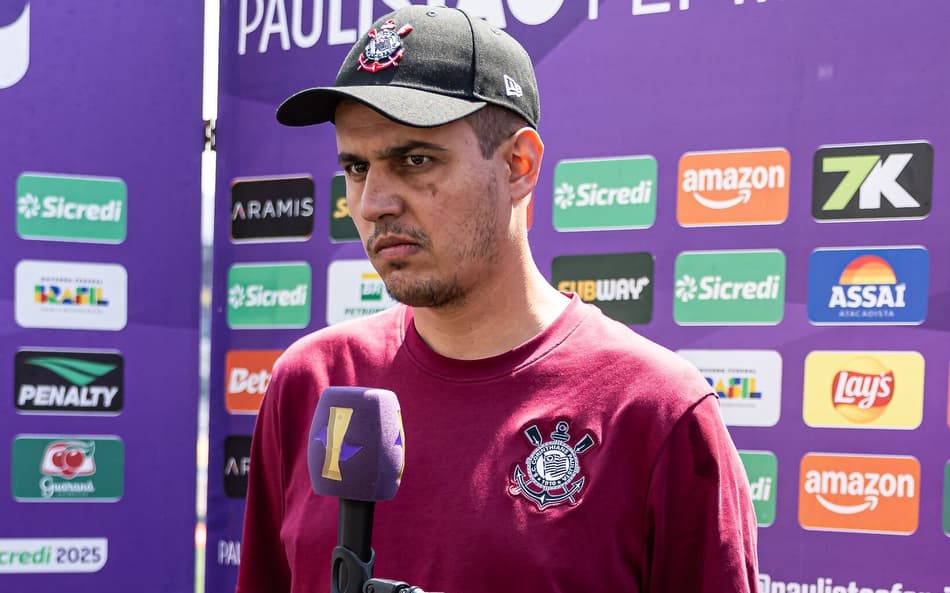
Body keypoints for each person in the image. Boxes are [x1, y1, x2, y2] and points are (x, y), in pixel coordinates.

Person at [236, 6, 759, 593]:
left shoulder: (656, 411)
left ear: (519, 165)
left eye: (415, 161)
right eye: (356, 167)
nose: (373, 202)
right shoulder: (310, 382)